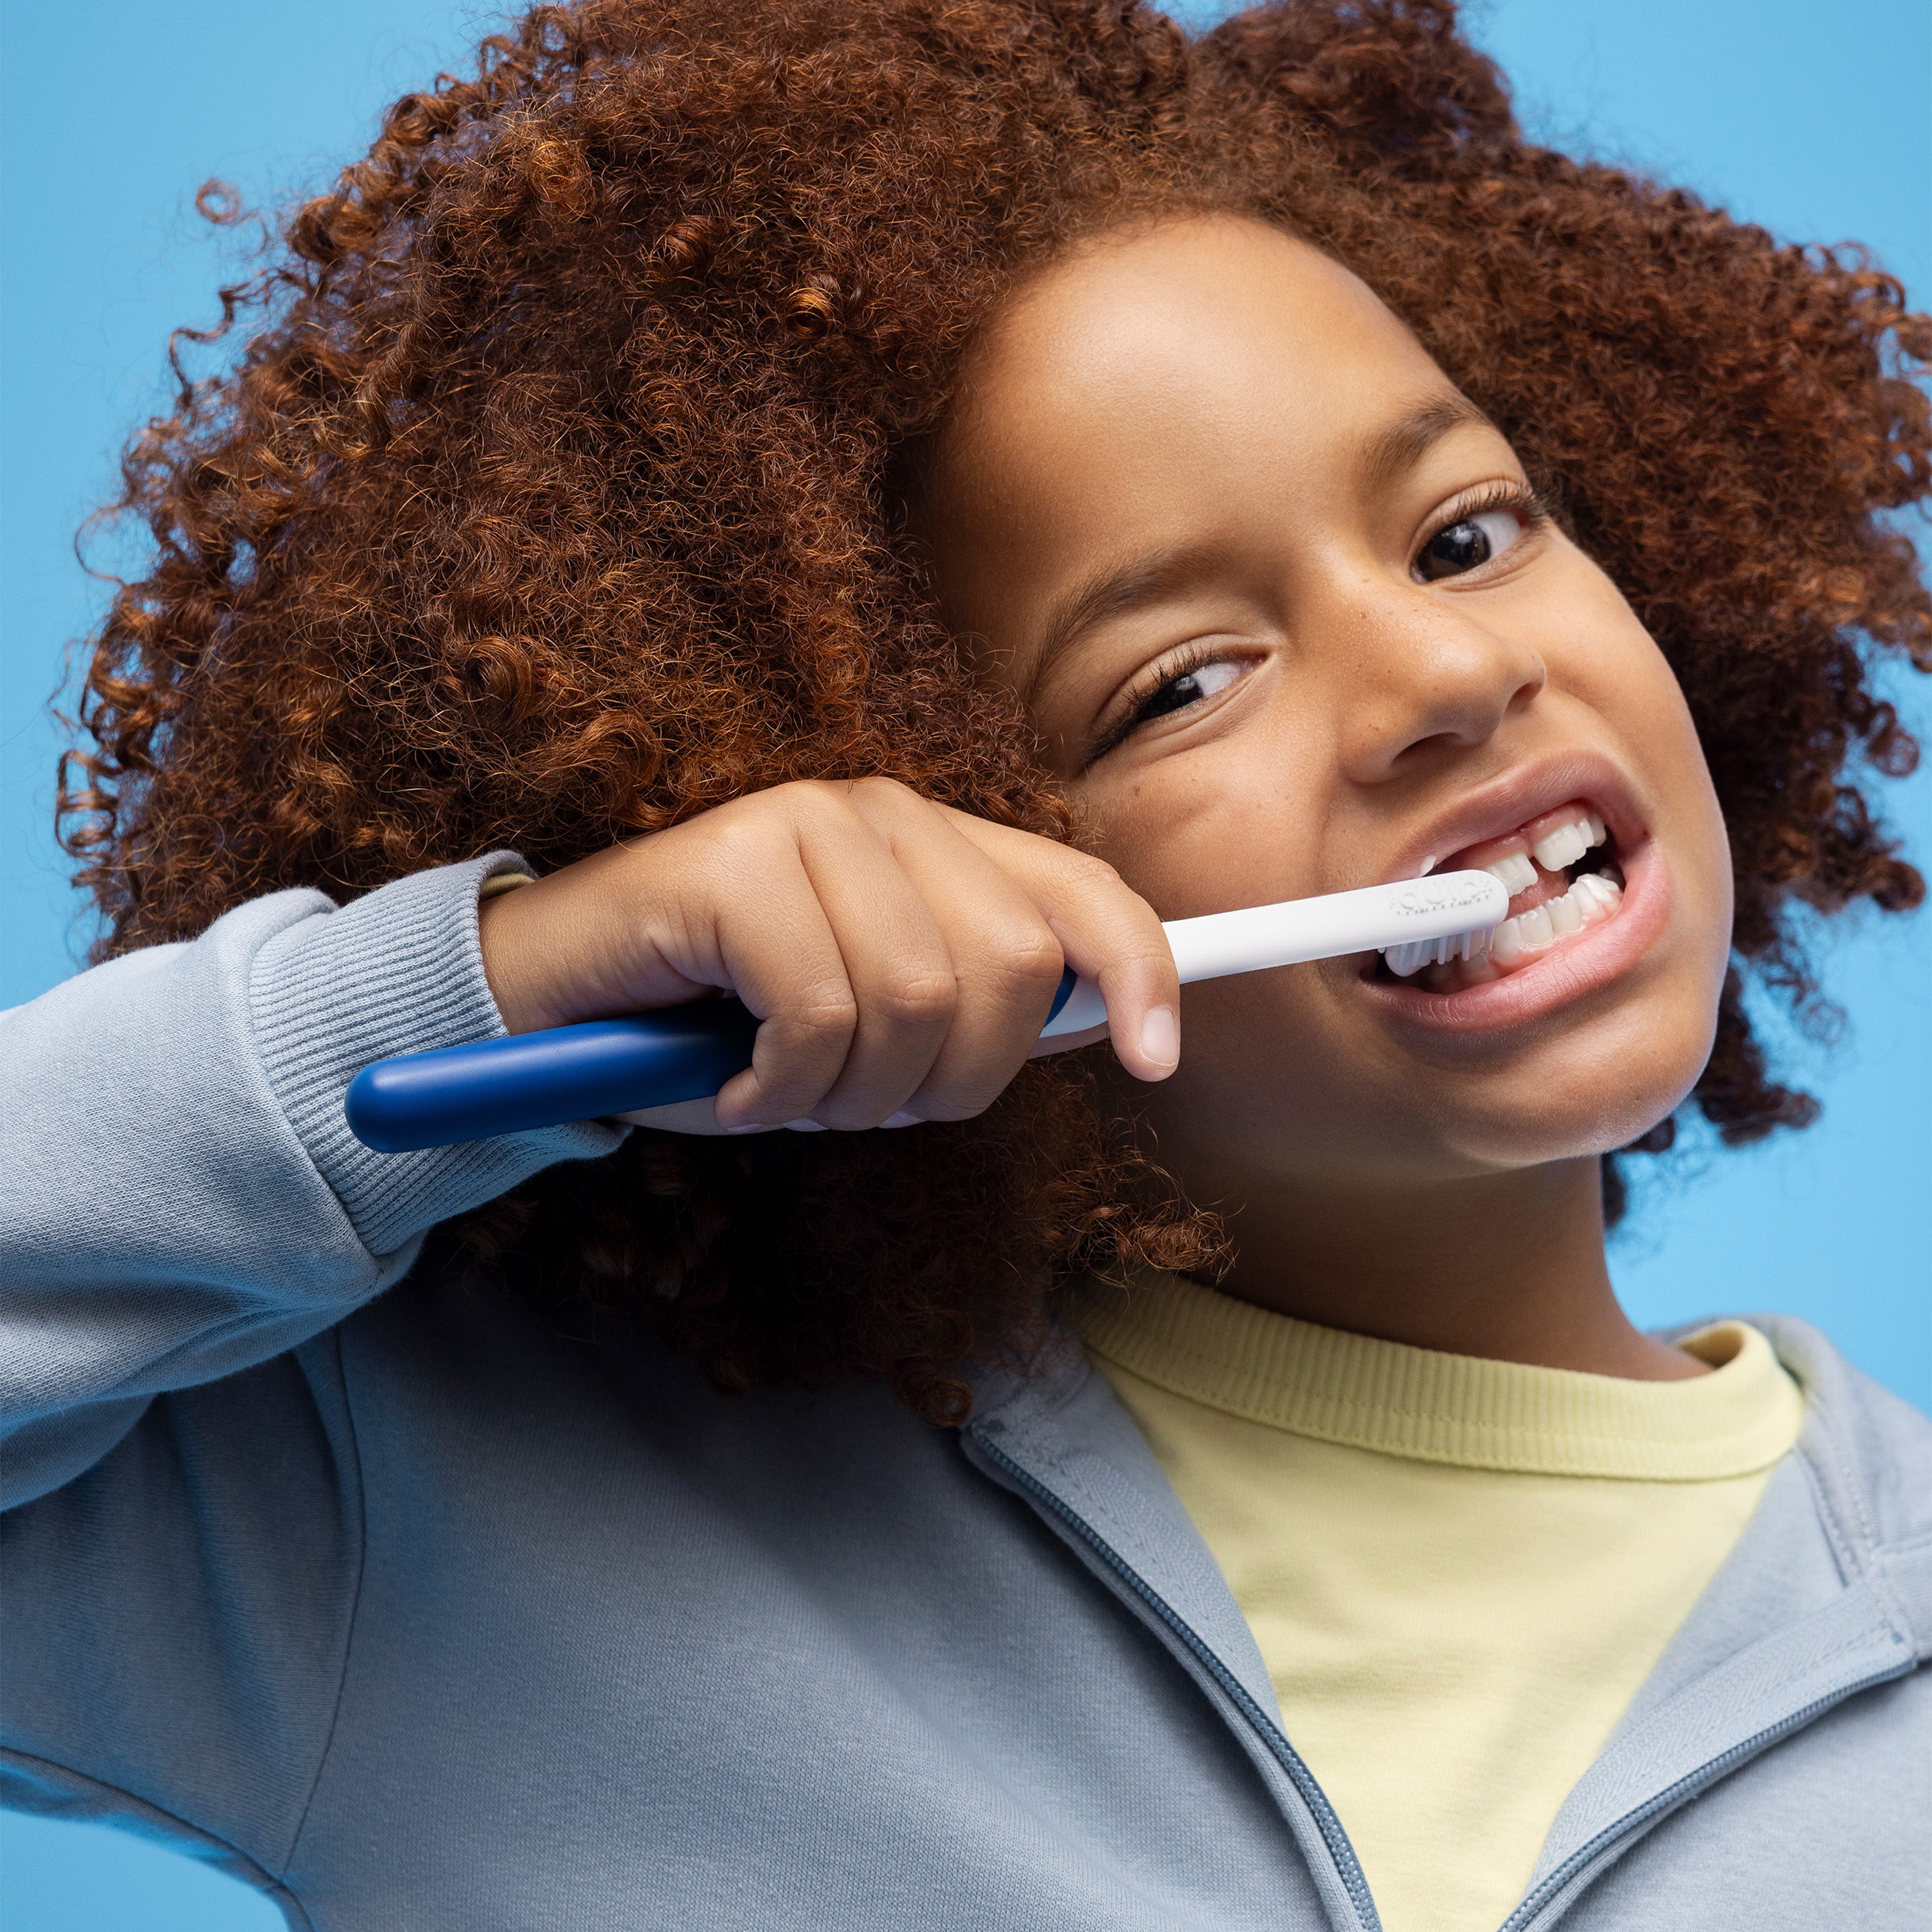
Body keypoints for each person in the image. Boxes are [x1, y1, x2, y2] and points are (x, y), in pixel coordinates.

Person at [3, 2, 1927, 1927]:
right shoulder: (425, 1527)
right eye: (1179, 684)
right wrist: (493, 987)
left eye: (1468, 531)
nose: (1444, 676)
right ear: (933, 848)